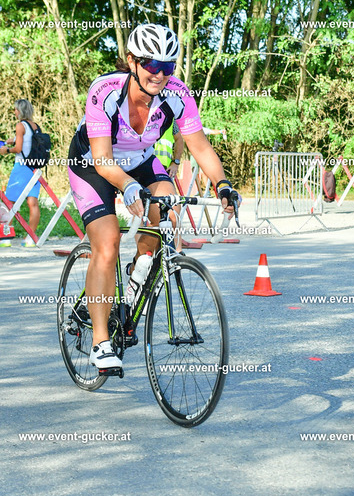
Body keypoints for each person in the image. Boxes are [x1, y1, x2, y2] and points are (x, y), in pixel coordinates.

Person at [68, 23, 240, 372]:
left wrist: (223, 184)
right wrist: (128, 185)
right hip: (93, 164)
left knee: (168, 215)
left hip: (140, 160)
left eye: (167, 66)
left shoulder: (177, 94)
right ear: (132, 61)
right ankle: (100, 342)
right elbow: (102, 160)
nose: (159, 74)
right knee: (107, 242)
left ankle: (137, 276)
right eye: (151, 64)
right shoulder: (105, 91)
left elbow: (200, 146)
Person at [0, 99, 41, 247]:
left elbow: (18, 149)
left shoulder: (20, 125)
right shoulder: (35, 126)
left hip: (21, 168)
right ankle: (30, 238)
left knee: (8, 202)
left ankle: (6, 237)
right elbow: (27, 144)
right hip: (34, 168)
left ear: (20, 111)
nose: (15, 112)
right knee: (33, 203)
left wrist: (6, 150)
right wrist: (14, 141)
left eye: (16, 109)